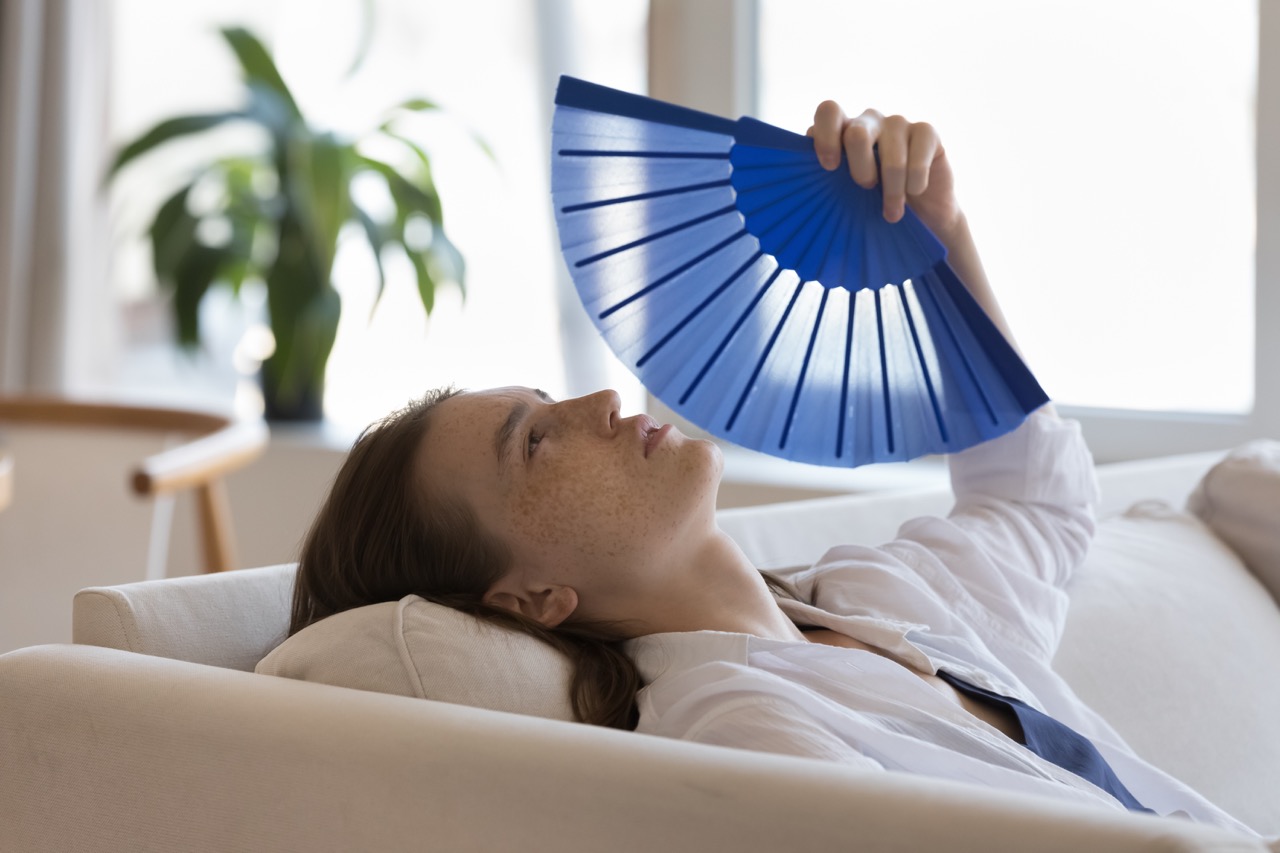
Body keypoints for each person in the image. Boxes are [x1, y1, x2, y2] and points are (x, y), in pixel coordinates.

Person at [290, 102, 1257, 836]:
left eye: (551, 398)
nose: (598, 405)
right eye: (534, 442)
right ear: (532, 596)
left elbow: (1039, 501)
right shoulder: (740, 733)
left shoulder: (871, 594)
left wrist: (936, 244)